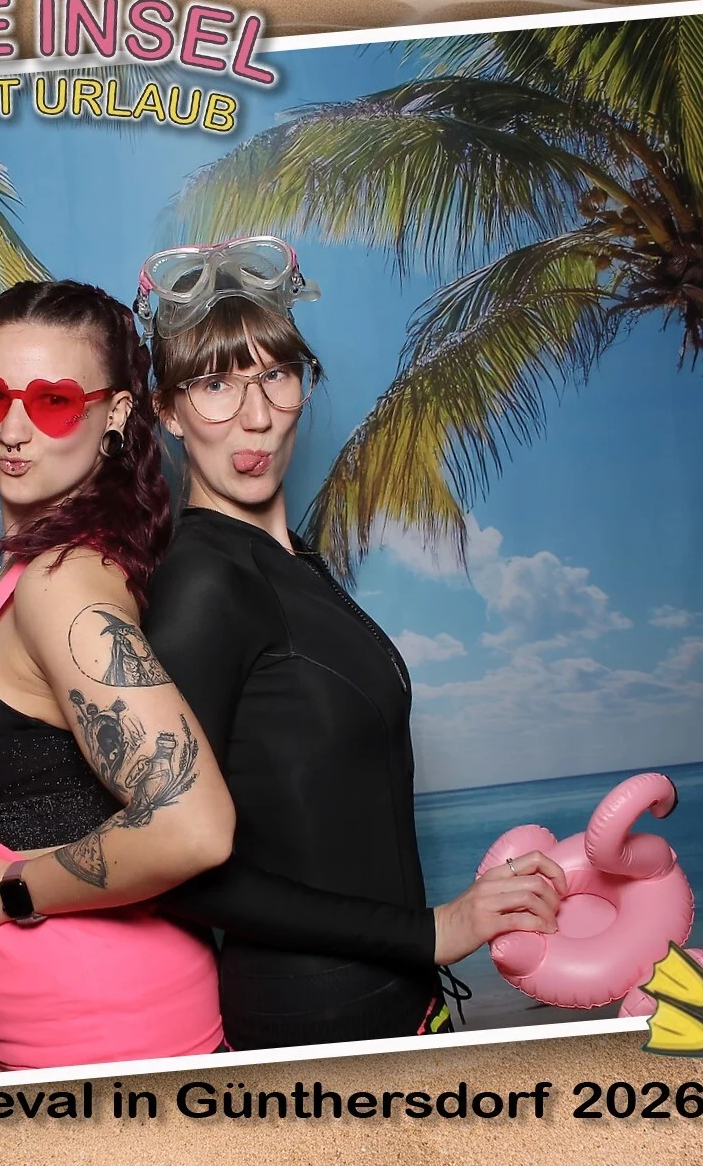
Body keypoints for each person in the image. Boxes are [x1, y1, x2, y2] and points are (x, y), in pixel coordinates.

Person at [134, 236, 567, 1050]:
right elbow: (173, 868)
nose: (256, 415)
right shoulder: (204, 583)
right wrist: (433, 930)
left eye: (276, 375)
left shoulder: (293, 561)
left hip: (397, 1006)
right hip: (315, 1030)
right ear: (168, 410)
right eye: (215, 384)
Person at [0, 280, 235, 1070]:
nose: (12, 430)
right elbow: (33, 785)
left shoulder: (62, 585)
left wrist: (7, 889)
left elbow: (195, 827)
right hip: (72, 1039)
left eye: (54, 403)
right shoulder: (32, 572)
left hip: (119, 1043)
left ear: (115, 414)